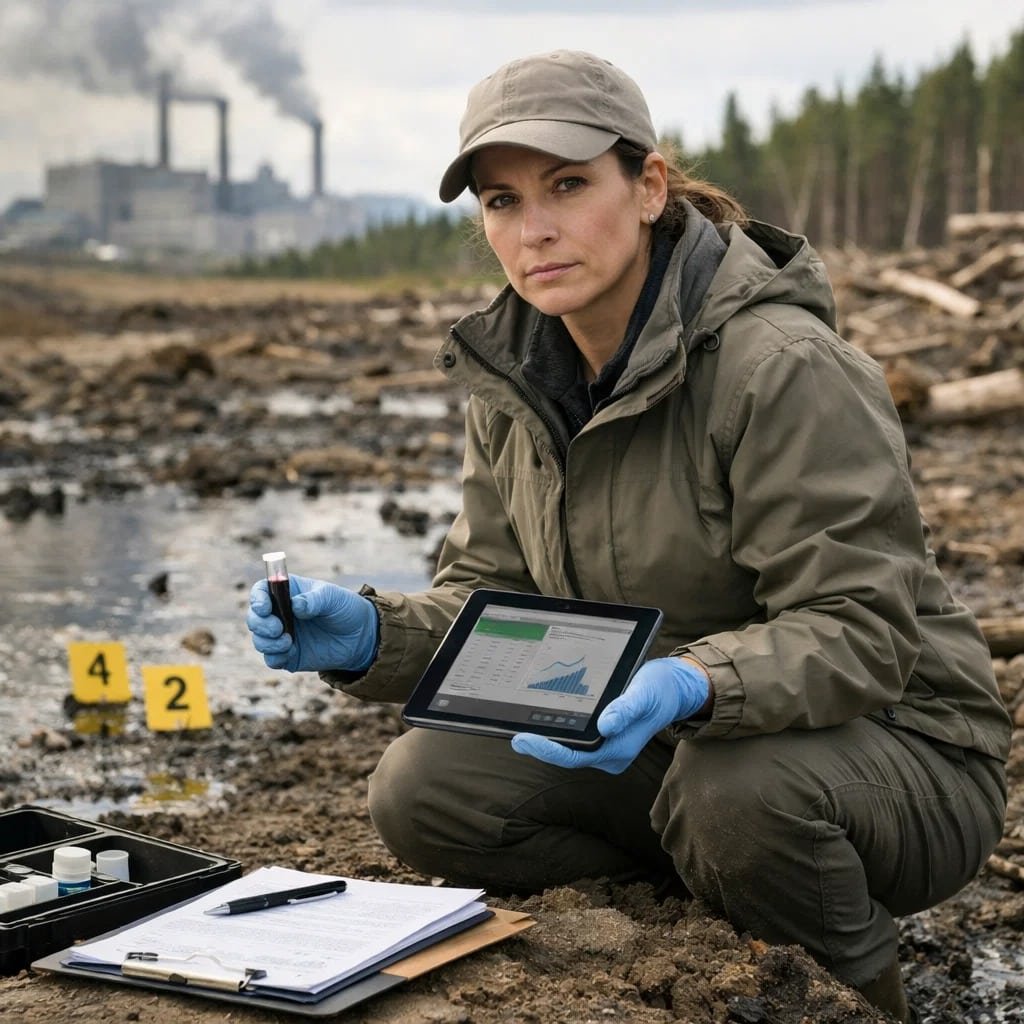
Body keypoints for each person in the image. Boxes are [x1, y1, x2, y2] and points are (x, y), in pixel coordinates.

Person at [247, 50, 1010, 1023]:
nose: (536, 229)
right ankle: (708, 903)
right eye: (502, 202)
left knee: (735, 796)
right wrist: (369, 632)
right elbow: (494, 600)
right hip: (679, 738)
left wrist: (694, 682)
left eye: (567, 185)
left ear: (648, 186)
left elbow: (861, 629)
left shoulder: (778, 367)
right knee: (425, 786)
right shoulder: (518, 377)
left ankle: (860, 994)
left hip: (901, 749)